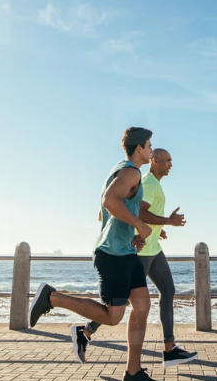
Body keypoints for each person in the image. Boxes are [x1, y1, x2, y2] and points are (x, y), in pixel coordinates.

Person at [28, 127, 164, 381]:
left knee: (143, 306)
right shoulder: (131, 171)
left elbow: (103, 214)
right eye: (149, 145)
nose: (151, 150)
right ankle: (51, 297)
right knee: (113, 317)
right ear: (139, 148)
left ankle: (133, 373)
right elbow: (109, 201)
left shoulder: (119, 170)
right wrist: (138, 224)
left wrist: (130, 235)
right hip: (113, 256)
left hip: (124, 252)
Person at [71, 148, 198, 367]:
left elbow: (142, 214)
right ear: (154, 160)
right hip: (140, 251)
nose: (171, 165)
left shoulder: (154, 184)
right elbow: (138, 212)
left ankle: (170, 348)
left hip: (153, 248)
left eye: (171, 161)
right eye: (167, 161)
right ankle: (86, 332)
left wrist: (159, 228)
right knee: (124, 301)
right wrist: (167, 221)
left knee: (167, 291)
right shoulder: (147, 182)